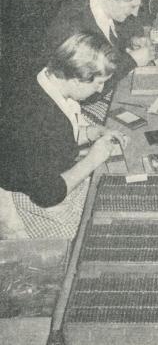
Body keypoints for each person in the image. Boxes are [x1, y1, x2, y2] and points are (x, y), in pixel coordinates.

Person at [0, 33, 129, 239]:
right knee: (100, 230)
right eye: (98, 83)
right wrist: (92, 159)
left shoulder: (45, 79)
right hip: (25, 199)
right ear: (77, 80)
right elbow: (48, 195)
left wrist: (91, 132)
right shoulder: (40, 120)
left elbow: (56, 140)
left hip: (38, 173)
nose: (101, 89)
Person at [44, 0, 155, 124]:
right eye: (132, 6)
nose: (135, 14)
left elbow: (112, 37)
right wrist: (131, 60)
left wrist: (131, 40)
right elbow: (90, 91)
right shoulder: (74, 26)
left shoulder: (99, 2)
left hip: (100, 89)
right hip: (79, 106)